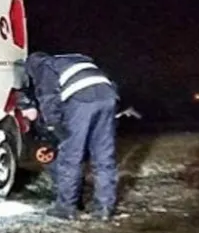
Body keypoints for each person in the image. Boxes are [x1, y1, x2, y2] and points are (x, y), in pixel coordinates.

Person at [14, 51, 120, 221]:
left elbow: (48, 98)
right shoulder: (70, 61)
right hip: (108, 97)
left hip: (82, 101)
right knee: (104, 157)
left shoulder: (43, 67)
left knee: (71, 156)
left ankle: (66, 208)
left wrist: (53, 125)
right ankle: (104, 208)